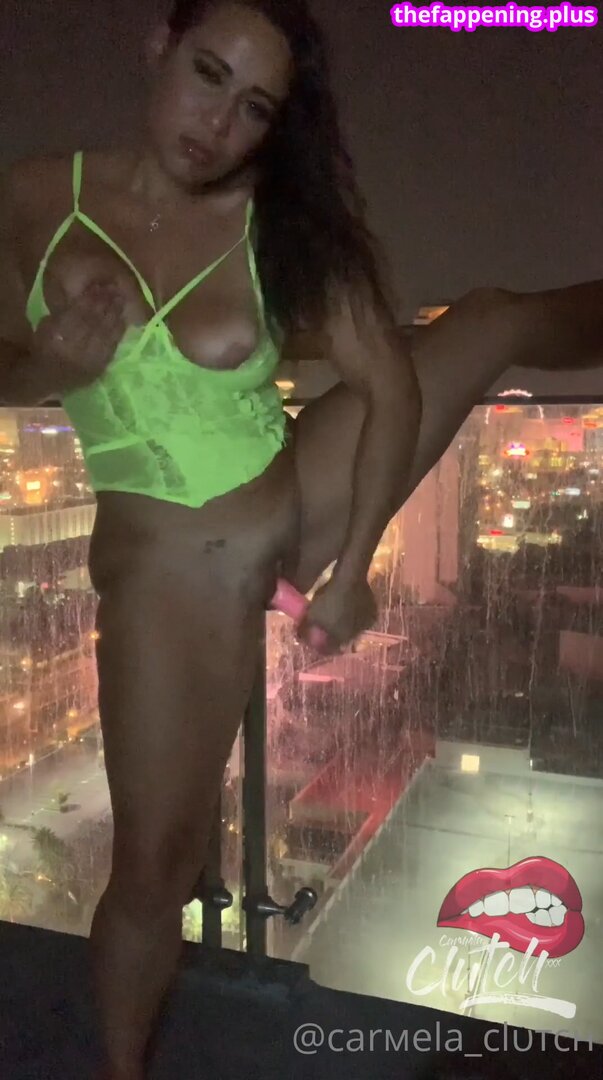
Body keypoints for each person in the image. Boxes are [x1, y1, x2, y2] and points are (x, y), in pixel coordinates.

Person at [0, 1, 602, 1076]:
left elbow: (387, 387)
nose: (218, 124)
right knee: (153, 871)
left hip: (293, 498)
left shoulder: (277, 230)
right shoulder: (39, 198)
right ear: (159, 47)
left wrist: (356, 565)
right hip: (174, 580)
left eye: (254, 108)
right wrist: (50, 363)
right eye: (207, 74)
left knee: (493, 317)